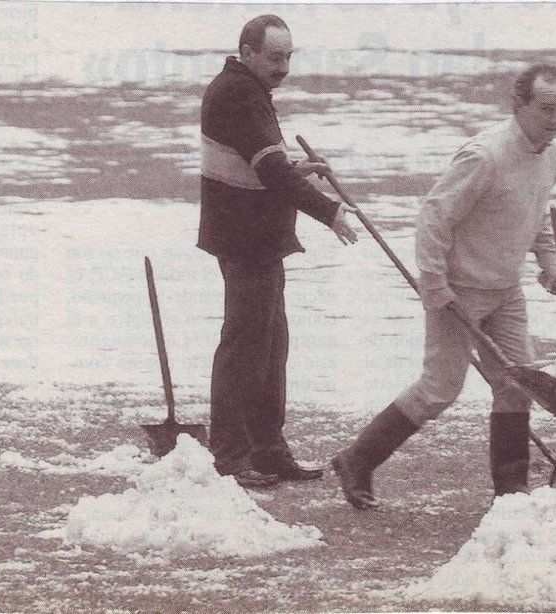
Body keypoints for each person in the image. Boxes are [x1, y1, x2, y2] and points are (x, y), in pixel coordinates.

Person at [333, 63, 556, 508]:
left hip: (506, 287)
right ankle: (356, 459)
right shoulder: (485, 156)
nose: (555, 120)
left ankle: (511, 492)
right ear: (518, 106)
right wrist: (435, 284)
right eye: (545, 109)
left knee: (520, 382)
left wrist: (549, 260)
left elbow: (535, 216)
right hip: (458, 290)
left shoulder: (552, 157)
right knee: (440, 389)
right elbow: (433, 217)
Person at [198, 14, 359, 488]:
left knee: (270, 347)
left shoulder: (248, 89)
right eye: (275, 57)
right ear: (247, 52)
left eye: (288, 57)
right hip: (245, 240)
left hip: (259, 239)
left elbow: (261, 161)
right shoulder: (239, 94)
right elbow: (268, 171)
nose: (283, 67)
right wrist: (329, 212)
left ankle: (269, 451)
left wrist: (299, 167)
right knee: (244, 349)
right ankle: (230, 456)